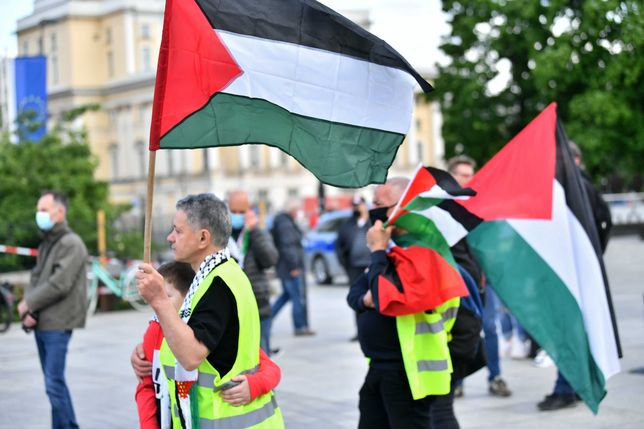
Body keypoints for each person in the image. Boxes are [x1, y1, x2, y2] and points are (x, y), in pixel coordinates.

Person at [135, 193, 283, 428]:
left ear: (203, 237)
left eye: (178, 231)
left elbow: (191, 356)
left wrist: (159, 300)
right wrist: (148, 356)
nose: (170, 237)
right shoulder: (221, 274)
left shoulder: (218, 285)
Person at [347, 178, 465, 429]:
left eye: (380, 204)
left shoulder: (425, 253)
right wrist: (366, 297)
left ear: (402, 208)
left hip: (410, 373)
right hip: (381, 366)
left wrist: (377, 252)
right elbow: (355, 294)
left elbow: (385, 299)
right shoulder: (393, 250)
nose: (373, 210)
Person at [537, 141, 613, 412]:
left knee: (566, 332)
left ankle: (566, 388)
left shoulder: (571, 187)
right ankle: (579, 385)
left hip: (568, 272)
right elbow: (606, 222)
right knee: (577, 330)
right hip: (579, 270)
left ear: (575, 160)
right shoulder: (584, 185)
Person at [18, 190, 88, 429]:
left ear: (60, 212)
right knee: (55, 383)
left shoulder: (71, 243)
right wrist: (29, 311)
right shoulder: (49, 241)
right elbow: (37, 278)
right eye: (39, 210)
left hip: (58, 323)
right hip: (44, 320)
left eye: (44, 210)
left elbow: (59, 284)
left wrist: (29, 304)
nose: (39, 214)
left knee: (53, 384)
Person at [447, 156, 512, 398]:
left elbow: (495, 243)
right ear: (451, 177)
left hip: (484, 280)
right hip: (456, 282)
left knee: (490, 328)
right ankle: (458, 380)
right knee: (458, 329)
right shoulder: (444, 207)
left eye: (470, 175)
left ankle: (495, 377)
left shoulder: (482, 206)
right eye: (462, 175)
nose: (468, 179)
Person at [228, 190, 279, 354]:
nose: (237, 215)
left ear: (249, 210)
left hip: (258, 304)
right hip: (231, 307)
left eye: (241, 212)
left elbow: (270, 259)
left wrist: (255, 230)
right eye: (233, 211)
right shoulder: (222, 235)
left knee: (262, 355)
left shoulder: (257, 232)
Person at [271, 200, 314, 336]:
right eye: (297, 209)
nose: (298, 212)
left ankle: (265, 319)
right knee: (297, 298)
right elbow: (288, 247)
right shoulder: (285, 224)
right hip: (290, 268)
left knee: (287, 296)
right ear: (292, 210)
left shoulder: (286, 222)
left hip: (287, 267)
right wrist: (294, 266)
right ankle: (300, 327)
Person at [336, 194, 372, 340]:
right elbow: (339, 247)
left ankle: (373, 329)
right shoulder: (348, 225)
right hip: (354, 268)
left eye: (360, 205)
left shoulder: (372, 222)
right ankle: (360, 331)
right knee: (358, 298)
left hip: (371, 266)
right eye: (355, 206)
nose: (357, 208)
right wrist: (345, 265)